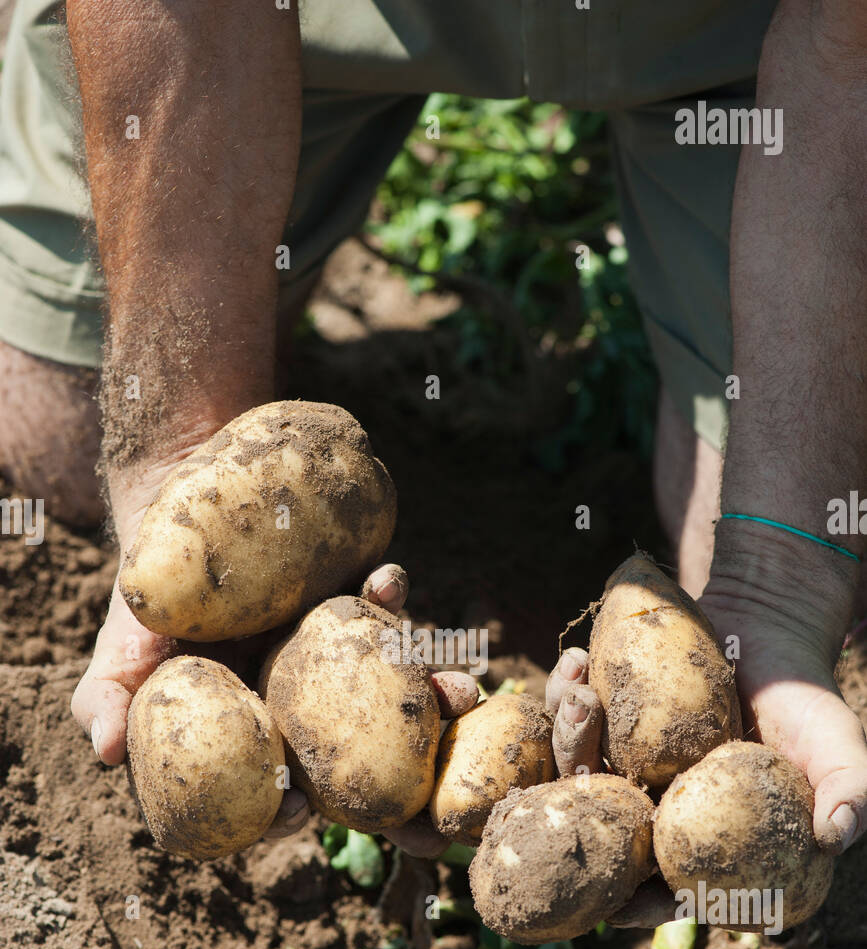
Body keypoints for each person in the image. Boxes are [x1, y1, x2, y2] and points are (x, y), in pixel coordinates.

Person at [0, 0, 865, 863]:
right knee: (74, 433)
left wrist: (779, 573)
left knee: (752, 597)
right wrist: (183, 454)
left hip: (742, 31)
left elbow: (844, 49)